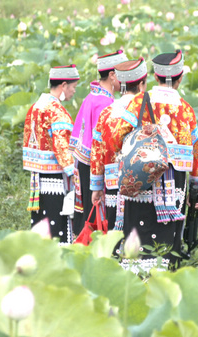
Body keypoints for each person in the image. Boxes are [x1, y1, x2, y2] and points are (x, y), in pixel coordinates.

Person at [108, 50, 198, 271]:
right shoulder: (186, 110)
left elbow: (116, 136)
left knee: (138, 233)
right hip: (174, 187)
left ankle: (134, 276)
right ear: (179, 77)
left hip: (140, 180)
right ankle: (163, 277)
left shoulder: (140, 102)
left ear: (155, 76)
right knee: (166, 237)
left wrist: (128, 157)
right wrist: (197, 189)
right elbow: (196, 154)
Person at [70, 50, 127, 236]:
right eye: (122, 74)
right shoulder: (105, 104)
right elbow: (103, 147)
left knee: (86, 217)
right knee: (98, 221)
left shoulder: (91, 97)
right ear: (112, 75)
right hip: (95, 170)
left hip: (83, 167)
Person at [23, 64, 80, 244]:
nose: (73, 92)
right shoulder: (56, 111)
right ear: (63, 85)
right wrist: (74, 172)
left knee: (41, 223)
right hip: (55, 178)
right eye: (73, 87)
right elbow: (62, 146)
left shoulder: (35, 107)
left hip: (38, 178)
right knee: (57, 226)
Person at [90, 57, 148, 230]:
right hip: (140, 184)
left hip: (112, 183)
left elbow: (97, 152)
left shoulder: (106, 112)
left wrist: (96, 187)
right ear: (140, 85)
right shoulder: (143, 110)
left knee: (115, 234)